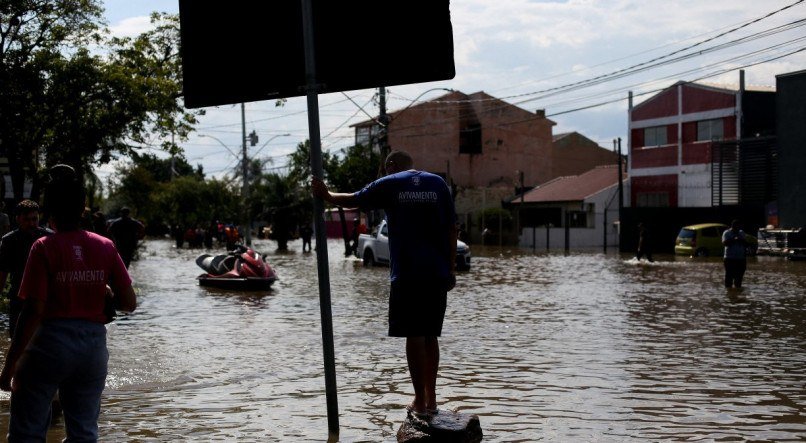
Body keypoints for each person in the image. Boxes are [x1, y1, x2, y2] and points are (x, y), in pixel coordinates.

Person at [312, 150, 457, 418]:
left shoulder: (390, 183)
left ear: (390, 166)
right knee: (429, 335)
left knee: (414, 334)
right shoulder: (438, 183)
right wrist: (450, 268)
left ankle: (420, 402)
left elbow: (354, 199)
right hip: (437, 272)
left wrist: (328, 195)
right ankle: (432, 398)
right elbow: (452, 228)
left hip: (408, 273)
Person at [0, 165, 136, 441]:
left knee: (27, 432)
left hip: (49, 344)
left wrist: (10, 363)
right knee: (84, 433)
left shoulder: (43, 247)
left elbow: (34, 309)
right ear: (83, 207)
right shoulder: (105, 245)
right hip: (93, 348)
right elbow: (129, 303)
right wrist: (105, 290)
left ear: (48, 213)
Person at [0, 200, 53, 337]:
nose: (31, 223)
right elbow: (2, 271)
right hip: (19, 298)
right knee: (17, 339)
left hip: (47, 297)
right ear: (17, 219)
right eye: (26, 219)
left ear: (39, 217)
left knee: (46, 341)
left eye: (34, 219)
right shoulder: (9, 241)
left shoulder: (50, 238)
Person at [722, 219, 748, 289]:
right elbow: (725, 243)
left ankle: (737, 291)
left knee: (739, 278)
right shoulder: (727, 233)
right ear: (733, 226)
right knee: (729, 278)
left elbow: (745, 243)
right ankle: (729, 292)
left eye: (740, 227)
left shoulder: (741, 233)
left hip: (741, 259)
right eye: (737, 226)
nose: (739, 228)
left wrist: (741, 239)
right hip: (730, 258)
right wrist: (734, 239)